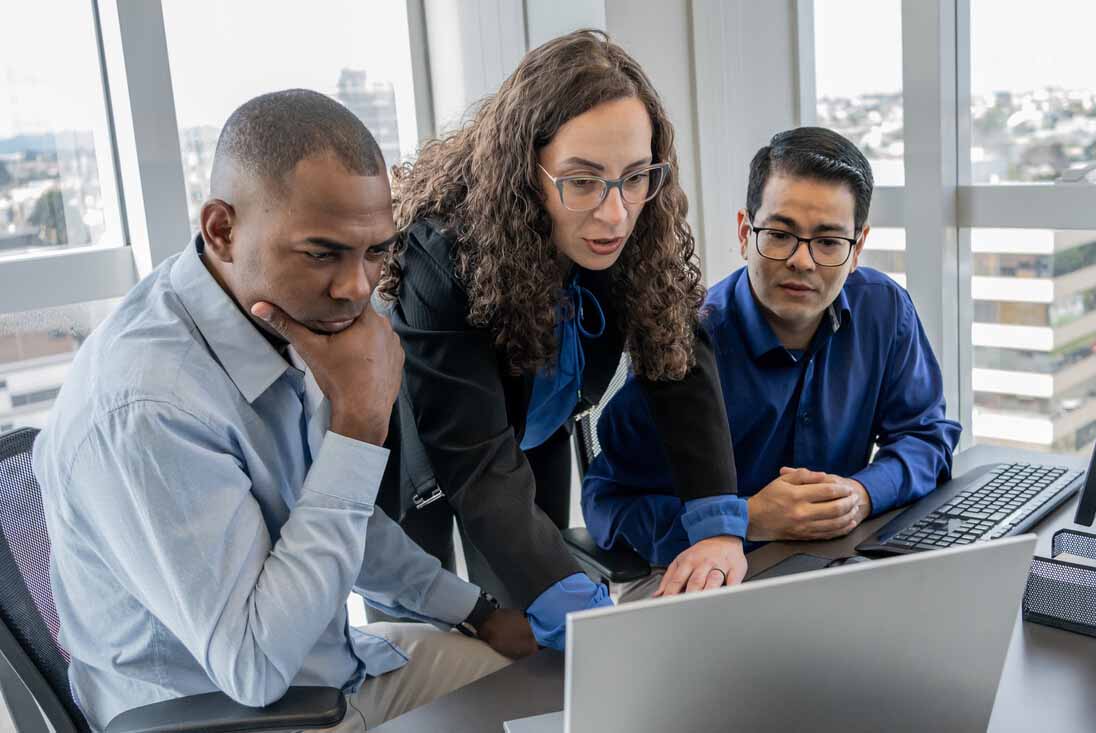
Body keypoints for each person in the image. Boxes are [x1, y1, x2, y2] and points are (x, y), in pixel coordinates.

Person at [33, 90, 535, 732]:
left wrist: (479, 611)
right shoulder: (149, 406)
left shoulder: (275, 313)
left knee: (545, 692)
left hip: (337, 674)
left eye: (374, 251)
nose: (356, 289)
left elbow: (337, 518)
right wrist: (358, 429)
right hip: (237, 714)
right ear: (222, 230)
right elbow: (256, 667)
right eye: (323, 252)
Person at [375, 30, 745, 651]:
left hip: (533, 424)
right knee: (422, 633)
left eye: (635, 177)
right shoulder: (439, 255)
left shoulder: (635, 220)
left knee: (535, 617)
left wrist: (716, 526)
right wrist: (583, 611)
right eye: (581, 181)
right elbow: (475, 460)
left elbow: (679, 364)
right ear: (525, 172)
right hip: (429, 448)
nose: (615, 215)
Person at [582, 126, 962, 600]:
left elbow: (927, 436)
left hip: (838, 571)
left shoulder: (884, 310)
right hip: (712, 590)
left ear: (858, 247)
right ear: (745, 232)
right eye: (779, 235)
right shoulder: (682, 342)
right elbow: (606, 503)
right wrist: (747, 518)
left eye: (828, 242)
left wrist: (862, 495)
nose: (802, 262)